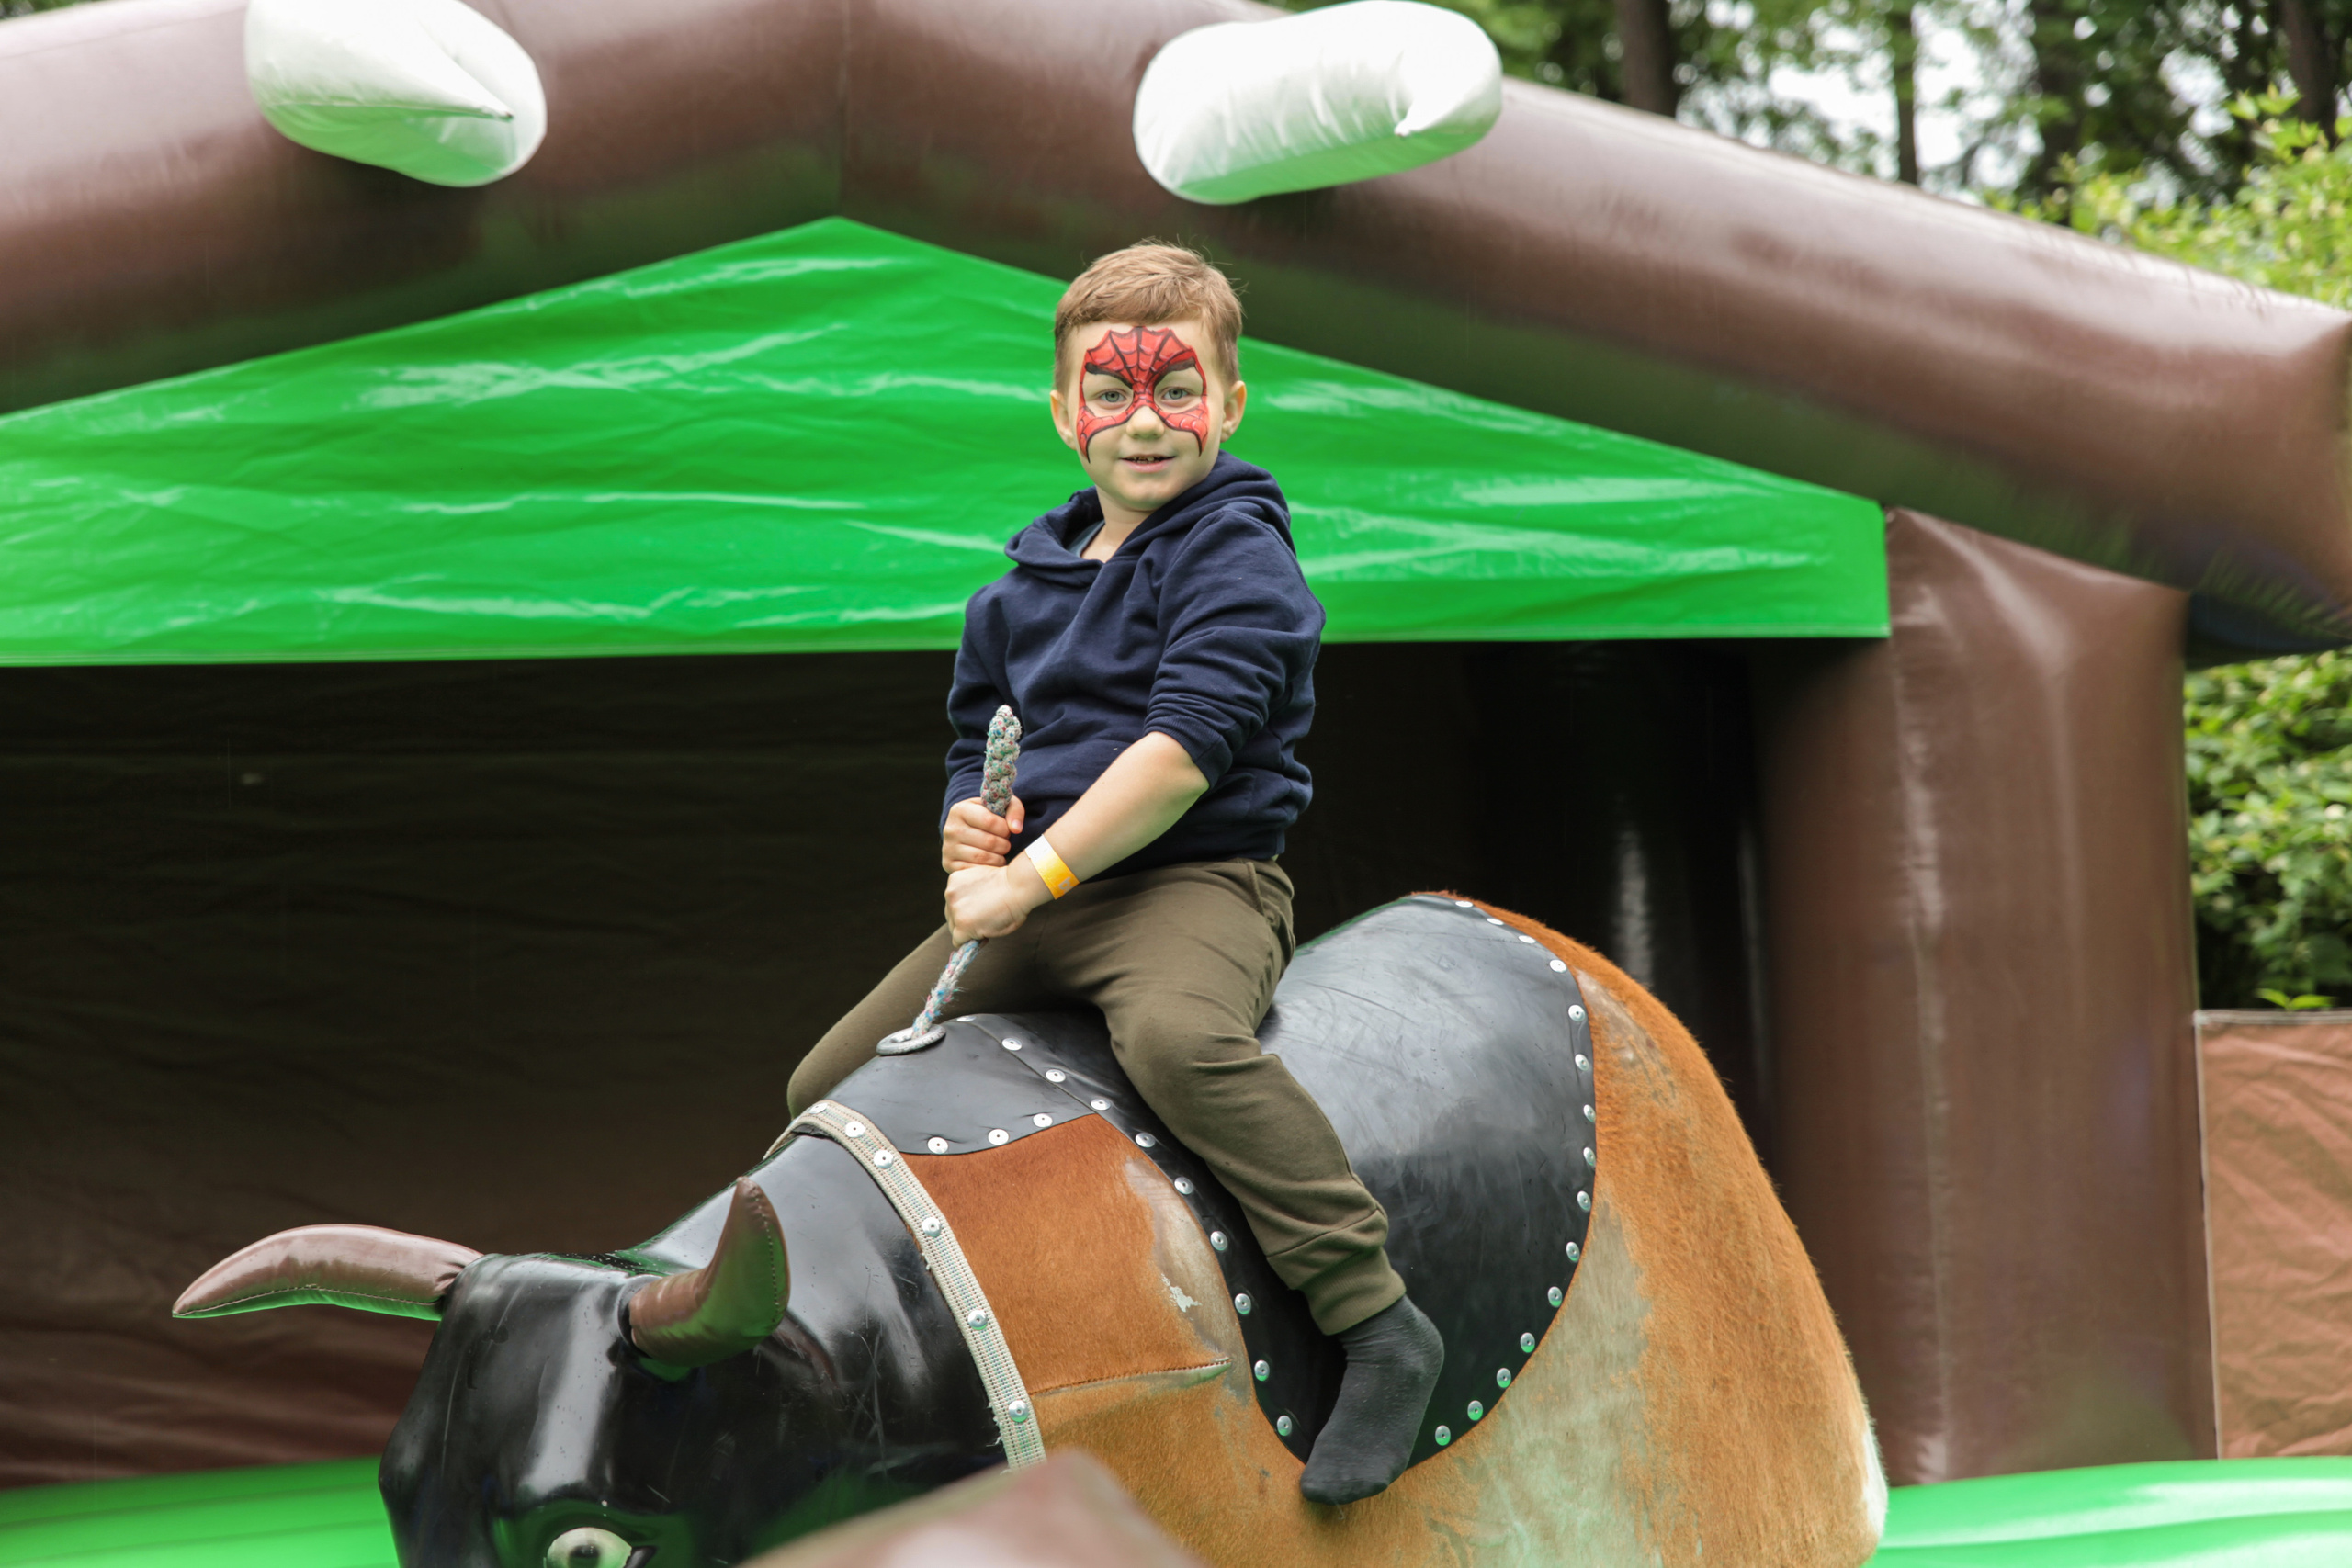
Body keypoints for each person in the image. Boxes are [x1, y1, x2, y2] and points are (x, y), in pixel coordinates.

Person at [786, 243, 1442, 1503]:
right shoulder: (1011, 597)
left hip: (1194, 886)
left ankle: (1374, 1318)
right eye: (1111, 391)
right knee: (831, 1083)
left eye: (1176, 388)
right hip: (1040, 891)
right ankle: (873, 1355)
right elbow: (977, 743)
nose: (1144, 420)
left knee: (1181, 1043)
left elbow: (1182, 758)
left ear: (1231, 404)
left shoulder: (1238, 556)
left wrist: (1024, 881)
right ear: (1063, 412)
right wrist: (966, 832)